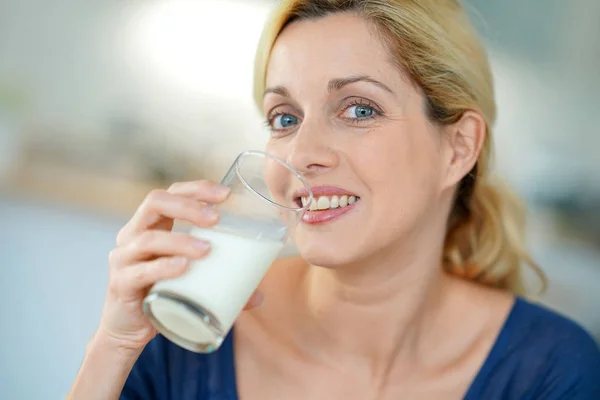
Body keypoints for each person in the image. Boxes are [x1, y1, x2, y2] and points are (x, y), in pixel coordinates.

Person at [67, 0, 600, 399]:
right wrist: (112, 346)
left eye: (359, 109)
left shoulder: (551, 370)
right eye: (285, 118)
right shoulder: (189, 326)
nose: (302, 153)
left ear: (458, 148)